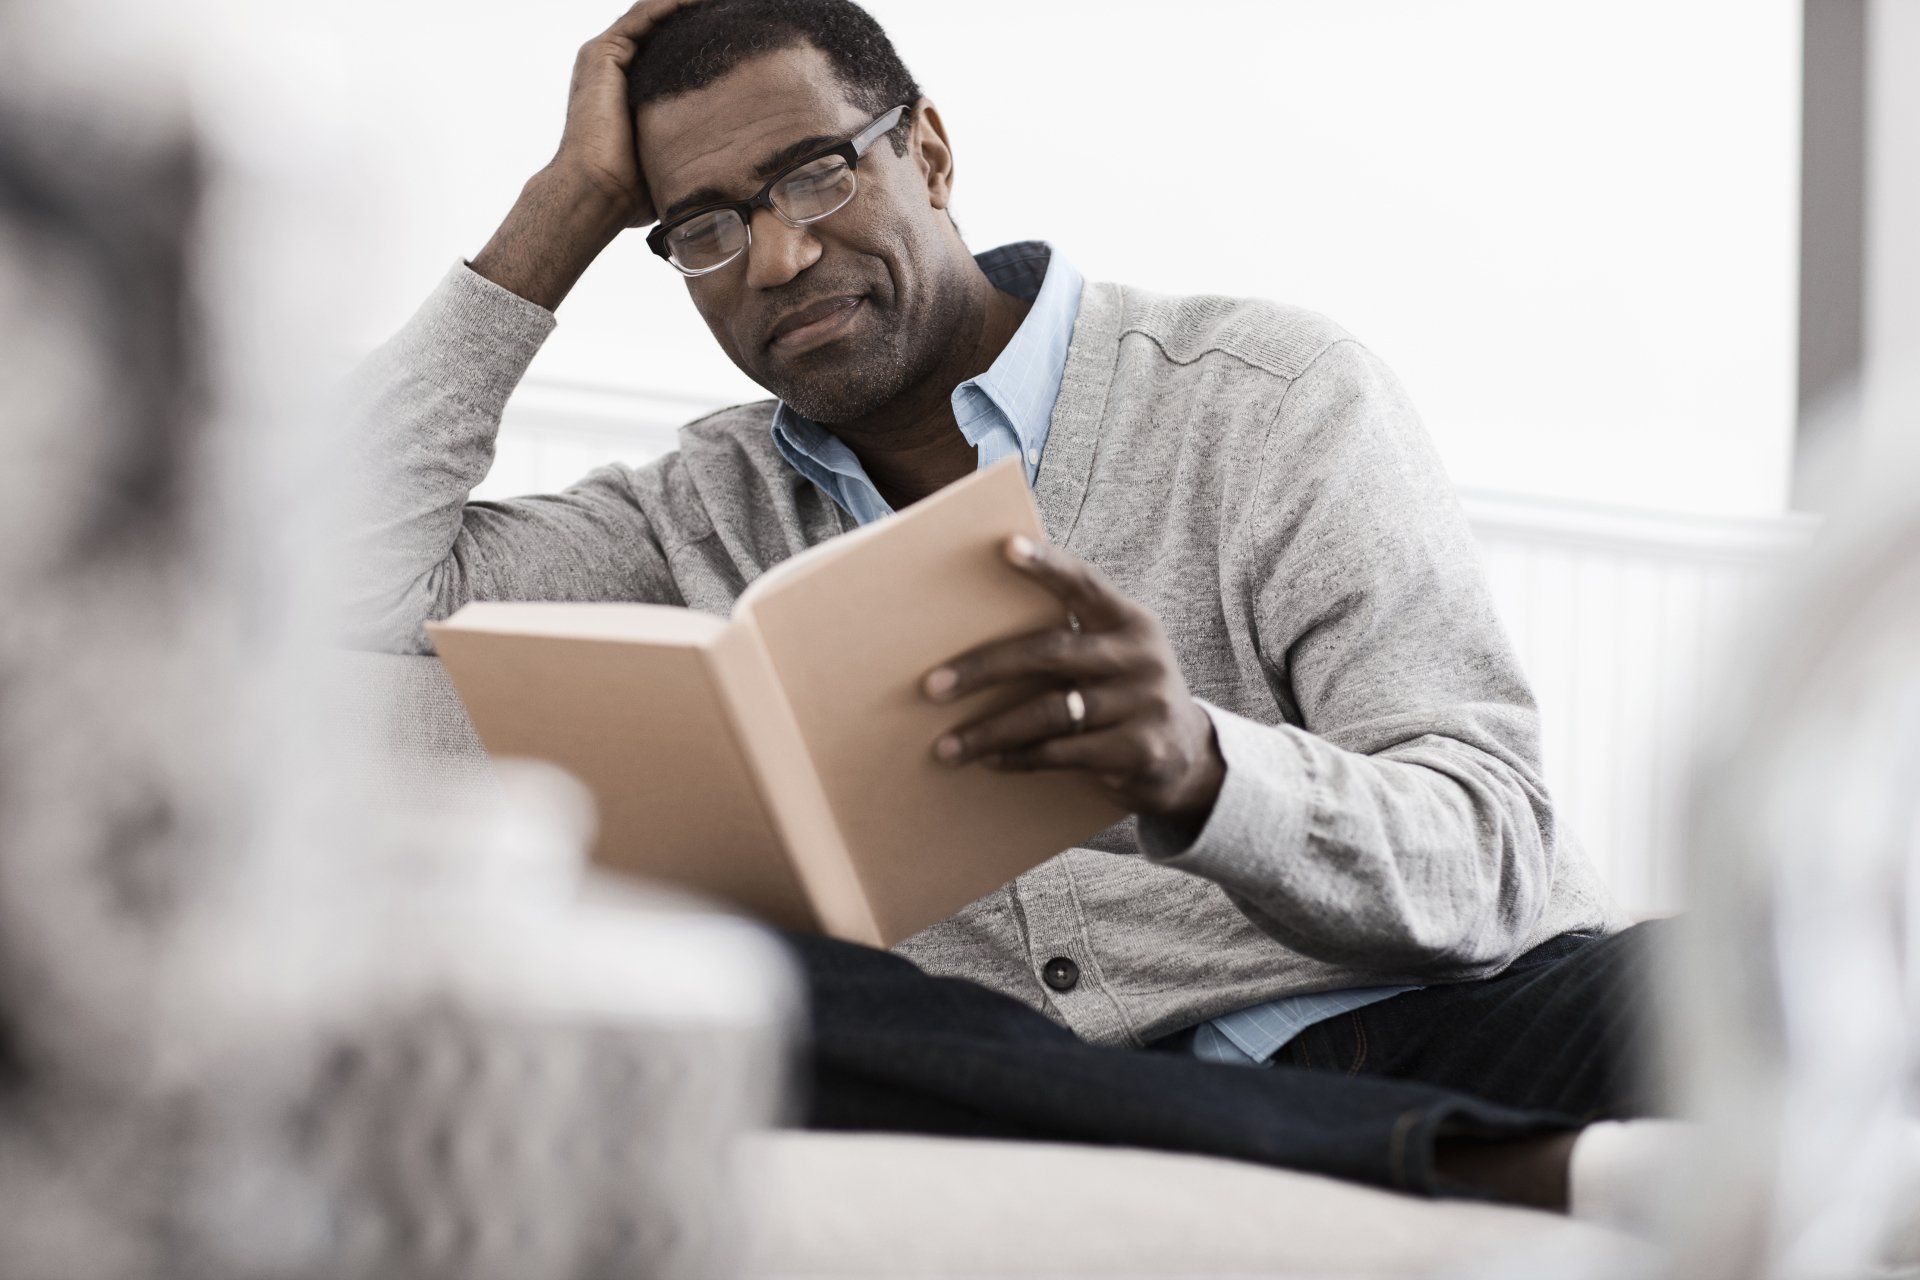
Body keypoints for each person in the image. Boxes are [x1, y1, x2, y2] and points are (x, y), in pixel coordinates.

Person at [341, 0, 1674, 1217]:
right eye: (704, 228)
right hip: (1037, 1076)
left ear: (926, 150)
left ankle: (1343, 1136)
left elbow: (1489, 855)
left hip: (1455, 1015)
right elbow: (319, 575)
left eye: (816, 172)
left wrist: (1207, 773)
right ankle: (1484, 1163)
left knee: (1771, 981)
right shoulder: (688, 514)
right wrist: (560, 210)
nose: (779, 256)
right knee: (747, 992)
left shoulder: (1270, 398)